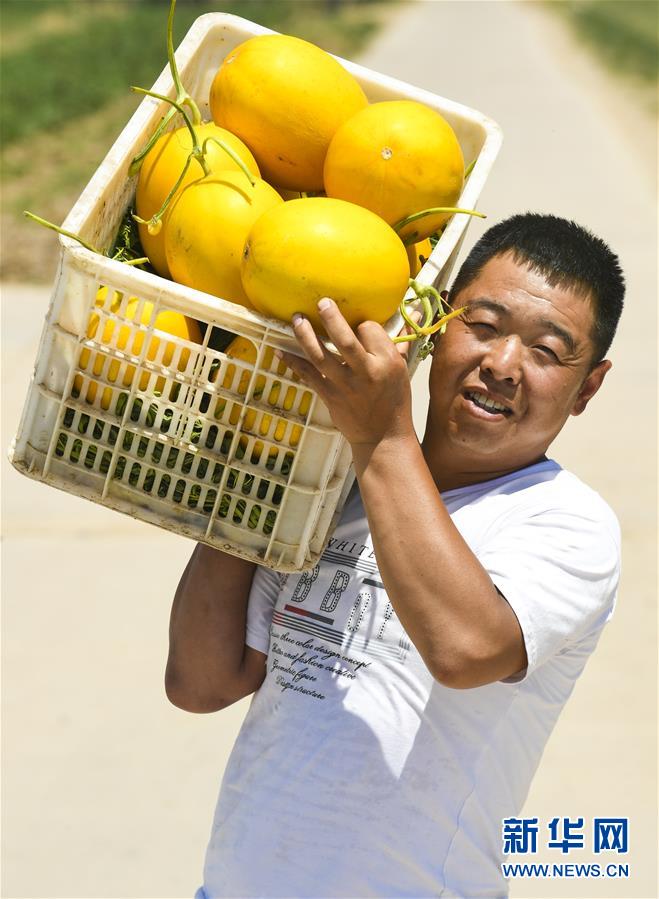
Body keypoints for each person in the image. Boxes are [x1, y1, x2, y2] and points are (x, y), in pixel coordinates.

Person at [167, 213, 625, 898]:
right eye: (483, 324)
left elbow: (465, 648)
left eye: (547, 351)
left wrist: (382, 437)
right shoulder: (331, 482)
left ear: (586, 387)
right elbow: (201, 683)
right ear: (436, 325)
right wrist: (256, 466)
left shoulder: (568, 523)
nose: (502, 364)